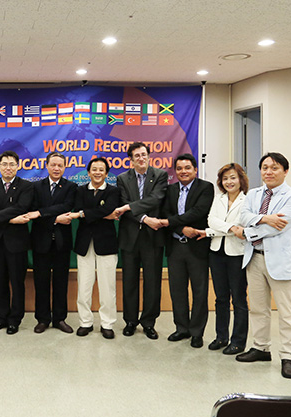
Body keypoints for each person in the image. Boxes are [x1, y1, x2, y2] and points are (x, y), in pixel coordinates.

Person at [235, 152, 291, 379]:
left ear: (285, 171)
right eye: (265, 167)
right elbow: (243, 216)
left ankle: (289, 356)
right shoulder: (253, 194)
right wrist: (265, 218)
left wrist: (247, 232)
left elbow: (278, 226)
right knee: (258, 308)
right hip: (254, 258)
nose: (268, 172)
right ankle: (261, 348)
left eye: (274, 168)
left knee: (287, 313)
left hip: (280, 260)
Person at [112, 142, 168, 339]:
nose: (141, 158)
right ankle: (130, 321)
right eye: (137, 156)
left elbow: (156, 199)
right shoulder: (122, 178)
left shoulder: (160, 175)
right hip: (130, 237)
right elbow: (122, 204)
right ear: (131, 159)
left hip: (153, 237)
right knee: (129, 281)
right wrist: (145, 218)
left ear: (149, 156)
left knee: (152, 282)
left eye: (144, 154)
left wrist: (129, 207)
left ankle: (149, 323)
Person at [160, 153, 214, 348]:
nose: (183, 171)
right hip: (175, 246)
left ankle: (197, 332)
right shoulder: (170, 189)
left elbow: (198, 212)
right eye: (180, 168)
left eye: (187, 168)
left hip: (197, 247)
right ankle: (182, 328)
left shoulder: (205, 187)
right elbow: (165, 213)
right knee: (177, 290)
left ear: (195, 170)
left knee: (199, 291)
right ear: (175, 171)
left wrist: (171, 222)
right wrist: (181, 228)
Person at [0, 150, 34, 335]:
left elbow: (22, 207)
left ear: (18, 166)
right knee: (0, 282)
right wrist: (11, 219)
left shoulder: (26, 186)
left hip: (17, 243)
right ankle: (2, 317)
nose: (8, 167)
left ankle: (15, 320)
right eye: (4, 164)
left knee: (17, 282)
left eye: (12, 164)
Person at [201, 163, 249, 355]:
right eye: (225, 178)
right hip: (216, 253)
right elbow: (211, 220)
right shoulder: (218, 198)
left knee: (238, 299)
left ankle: (238, 342)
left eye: (233, 178)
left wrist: (214, 231)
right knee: (220, 298)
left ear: (241, 179)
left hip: (237, 254)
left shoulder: (248, 200)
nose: (229, 182)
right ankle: (221, 337)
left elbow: (243, 226)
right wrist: (230, 228)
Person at [26, 152, 76, 334]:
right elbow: (32, 211)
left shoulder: (71, 187)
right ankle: (43, 319)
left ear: (64, 167)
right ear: (46, 166)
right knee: (41, 282)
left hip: (62, 243)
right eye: (53, 165)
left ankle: (59, 319)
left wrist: (42, 213)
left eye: (60, 165)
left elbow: (66, 206)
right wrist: (55, 219)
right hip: (41, 241)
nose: (56, 168)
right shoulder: (36, 187)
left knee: (61, 282)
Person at [70, 157, 120, 339]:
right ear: (89, 172)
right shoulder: (80, 190)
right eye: (94, 169)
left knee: (108, 287)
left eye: (101, 170)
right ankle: (85, 322)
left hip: (106, 243)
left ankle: (107, 323)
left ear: (106, 174)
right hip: (84, 243)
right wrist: (101, 213)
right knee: (84, 285)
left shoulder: (114, 191)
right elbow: (80, 208)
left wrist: (84, 214)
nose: (97, 172)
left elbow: (109, 209)